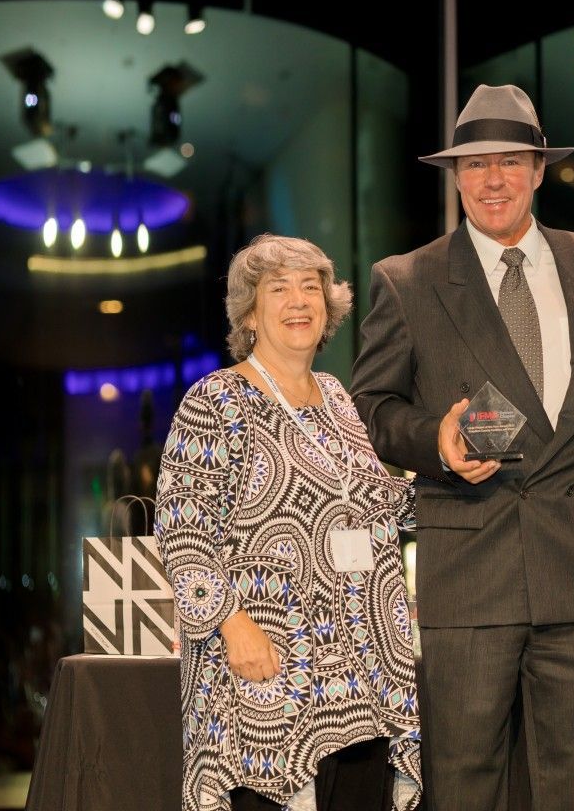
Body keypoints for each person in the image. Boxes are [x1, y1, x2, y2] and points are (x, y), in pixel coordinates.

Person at [350, 84, 574, 810]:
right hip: (469, 575)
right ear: (456, 175)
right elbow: (370, 410)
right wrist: (436, 440)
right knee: (462, 787)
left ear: (540, 170)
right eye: (477, 164)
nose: (493, 181)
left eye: (511, 162)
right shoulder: (408, 279)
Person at [155, 234, 421, 811]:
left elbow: (375, 500)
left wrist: (452, 470)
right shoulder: (216, 400)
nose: (299, 301)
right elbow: (183, 530)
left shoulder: (336, 397)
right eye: (279, 289)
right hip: (271, 669)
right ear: (250, 312)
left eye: (311, 288)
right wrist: (232, 625)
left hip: (363, 673)